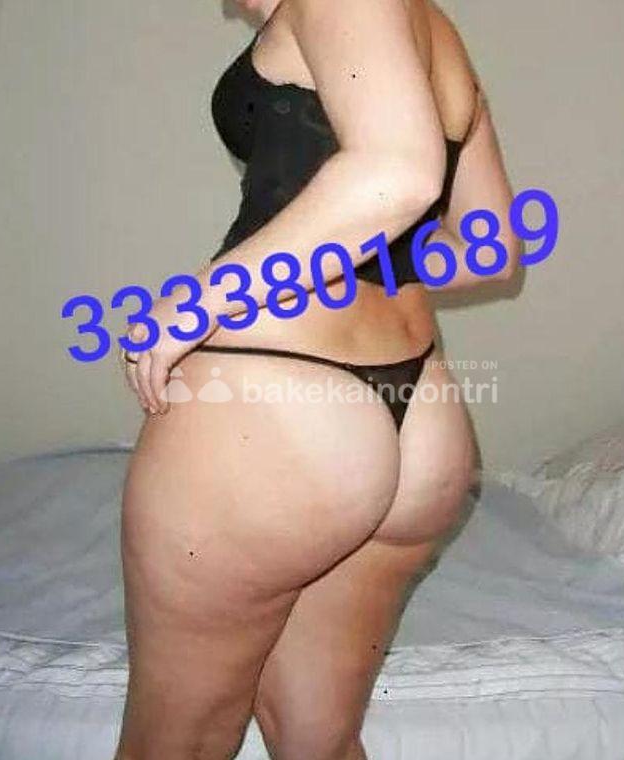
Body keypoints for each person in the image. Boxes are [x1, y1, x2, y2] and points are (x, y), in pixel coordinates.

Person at [116, 0, 520, 757]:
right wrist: (368, 262)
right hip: (418, 416)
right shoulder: (432, 28)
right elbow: (490, 246)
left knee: (175, 741)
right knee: (319, 740)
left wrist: (204, 299)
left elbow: (397, 172)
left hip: (279, 398)